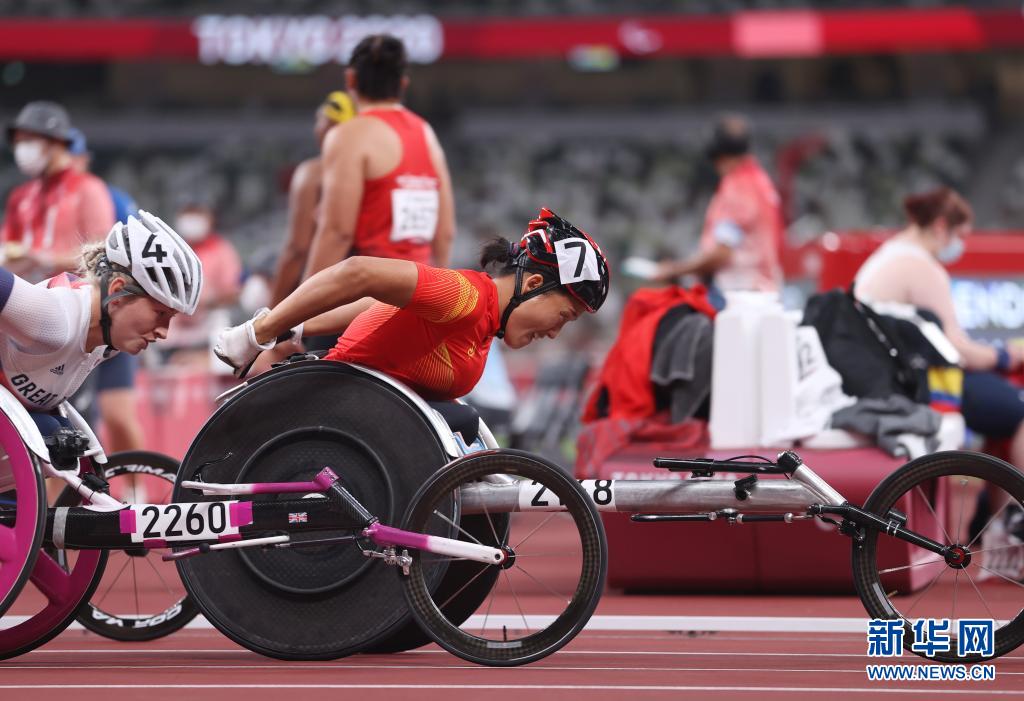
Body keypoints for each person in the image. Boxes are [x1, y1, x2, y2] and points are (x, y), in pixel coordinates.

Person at [214, 209, 609, 405]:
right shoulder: (465, 297)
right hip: (344, 410)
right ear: (535, 284)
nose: (556, 332)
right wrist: (259, 333)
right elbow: (358, 272)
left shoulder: (486, 317)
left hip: (367, 411)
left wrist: (300, 329)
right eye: (564, 316)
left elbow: (377, 303)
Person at [854, 186, 1024, 468]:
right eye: (960, 236)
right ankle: (1015, 507)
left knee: (1000, 409)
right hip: (917, 384)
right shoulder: (920, 267)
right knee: (1016, 410)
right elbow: (956, 351)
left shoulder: (889, 255)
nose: (960, 245)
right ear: (941, 226)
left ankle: (1004, 510)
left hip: (892, 376)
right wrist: (1006, 355)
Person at [0, 210, 202, 444]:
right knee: (53, 435)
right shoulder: (55, 319)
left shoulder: (106, 340)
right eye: (160, 313)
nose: (164, 332)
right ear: (117, 292)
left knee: (64, 439)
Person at [303, 34, 456, 281]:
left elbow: (337, 233)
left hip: (370, 291)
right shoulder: (426, 133)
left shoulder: (348, 135)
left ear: (350, 79)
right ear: (403, 84)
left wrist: (300, 309)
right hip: (419, 287)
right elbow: (445, 231)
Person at [65, 127, 146, 452]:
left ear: (84, 159)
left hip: (108, 313)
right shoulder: (35, 198)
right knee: (67, 424)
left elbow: (137, 258)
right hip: (66, 317)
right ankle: (57, 501)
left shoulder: (107, 196)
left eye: (72, 156)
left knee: (117, 415)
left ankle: (137, 489)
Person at [654, 114, 784, 306]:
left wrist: (675, 270)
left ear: (718, 156)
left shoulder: (736, 188)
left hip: (735, 297)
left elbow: (722, 253)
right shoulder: (762, 182)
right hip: (766, 295)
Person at [2, 101, 115, 281]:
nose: (21, 149)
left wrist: (44, 260)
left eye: (29, 140)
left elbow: (102, 254)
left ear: (57, 142)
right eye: (18, 142)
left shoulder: (89, 189)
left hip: (73, 297)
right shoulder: (21, 195)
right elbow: (6, 247)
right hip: (24, 296)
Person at [270, 90, 356, 308]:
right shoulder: (378, 172)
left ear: (331, 128)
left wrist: (271, 313)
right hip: (375, 294)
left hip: (326, 293)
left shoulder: (313, 173)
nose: (316, 127)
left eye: (320, 120)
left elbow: (297, 249)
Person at [160, 200, 242, 367]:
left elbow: (234, 293)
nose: (191, 219)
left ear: (209, 218)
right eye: (187, 213)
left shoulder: (221, 249)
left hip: (207, 329)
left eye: (196, 213)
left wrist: (203, 303)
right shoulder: (171, 249)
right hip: (174, 332)